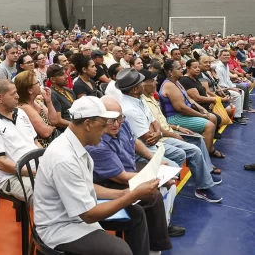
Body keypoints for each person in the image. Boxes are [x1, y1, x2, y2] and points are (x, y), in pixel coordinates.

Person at [34, 96, 163, 255]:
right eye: (103, 125)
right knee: (120, 251)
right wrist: (131, 196)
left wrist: (122, 193)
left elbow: (87, 185)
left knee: (136, 214)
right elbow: (89, 215)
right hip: (61, 227)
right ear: (88, 124)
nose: (105, 131)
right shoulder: (64, 158)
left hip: (76, 214)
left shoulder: (78, 145)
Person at [87, 96, 185, 241]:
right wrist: (157, 178)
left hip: (128, 168)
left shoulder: (121, 122)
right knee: (153, 194)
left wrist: (154, 161)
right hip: (111, 180)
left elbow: (134, 142)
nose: (116, 124)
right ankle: (156, 240)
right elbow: (121, 177)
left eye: (119, 118)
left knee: (169, 178)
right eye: (111, 120)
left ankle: (162, 225)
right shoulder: (97, 145)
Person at [140, 69, 223, 202]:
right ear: (143, 84)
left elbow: (162, 121)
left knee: (198, 139)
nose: (155, 82)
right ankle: (202, 188)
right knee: (194, 150)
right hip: (163, 136)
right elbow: (155, 128)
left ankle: (205, 175)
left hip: (169, 130)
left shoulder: (151, 97)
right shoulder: (143, 102)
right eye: (152, 81)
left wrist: (178, 128)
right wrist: (173, 134)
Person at [0, 79, 41, 202]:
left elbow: (35, 143)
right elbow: (2, 164)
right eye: (13, 94)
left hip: (36, 168)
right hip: (13, 177)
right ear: (0, 98)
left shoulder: (21, 113)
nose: (18, 97)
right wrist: (34, 173)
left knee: (67, 182)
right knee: (46, 193)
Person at [158, 60, 225, 158]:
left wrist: (202, 109)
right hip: (175, 117)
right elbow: (182, 108)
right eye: (179, 68)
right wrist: (201, 115)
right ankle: (205, 159)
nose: (182, 70)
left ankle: (209, 149)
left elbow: (189, 99)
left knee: (212, 117)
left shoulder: (176, 82)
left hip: (183, 114)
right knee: (209, 125)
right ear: (170, 72)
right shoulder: (169, 85)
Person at [15, 70, 58, 148]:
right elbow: (45, 133)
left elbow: (54, 121)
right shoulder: (25, 108)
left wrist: (49, 102)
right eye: (37, 82)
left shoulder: (36, 101)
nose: (40, 84)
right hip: (43, 148)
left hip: (53, 141)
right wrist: (52, 128)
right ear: (30, 90)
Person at [47, 64, 76, 131]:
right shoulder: (52, 94)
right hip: (67, 130)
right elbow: (58, 121)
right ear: (53, 79)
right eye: (62, 75)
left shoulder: (68, 90)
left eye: (65, 73)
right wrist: (76, 126)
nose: (66, 76)